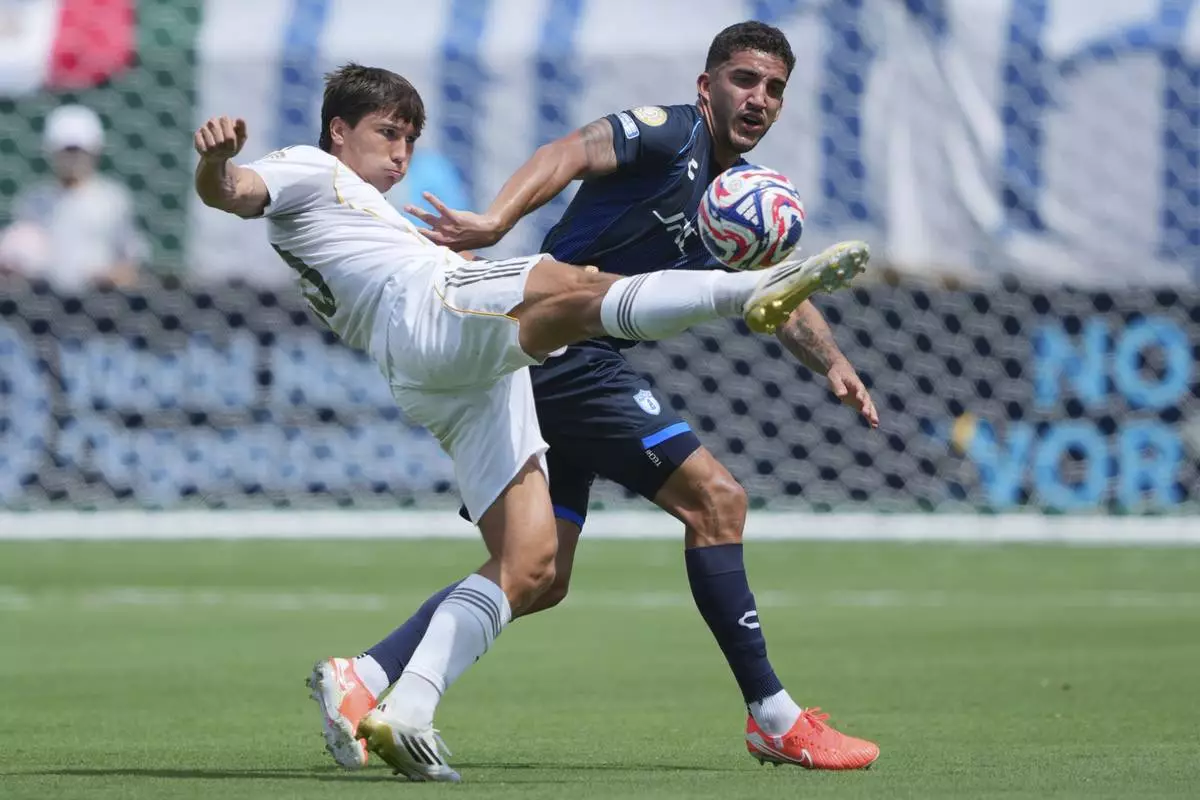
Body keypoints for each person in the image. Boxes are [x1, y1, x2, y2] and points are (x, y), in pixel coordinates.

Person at [311, 22, 879, 779]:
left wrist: (834, 361)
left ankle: (367, 679)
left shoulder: (742, 201)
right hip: (568, 352)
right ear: (707, 86)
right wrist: (498, 220)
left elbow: (780, 287)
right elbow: (567, 152)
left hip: (552, 367)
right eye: (745, 80)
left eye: (774, 88)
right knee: (717, 501)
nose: (760, 98)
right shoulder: (670, 134)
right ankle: (774, 716)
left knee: (537, 575)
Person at [0, 104, 146, 289]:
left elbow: (132, 266)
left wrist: (107, 275)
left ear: (95, 151)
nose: (72, 158)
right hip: (42, 301)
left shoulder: (112, 200)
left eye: (78, 151)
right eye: (66, 150)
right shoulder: (34, 200)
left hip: (98, 301)